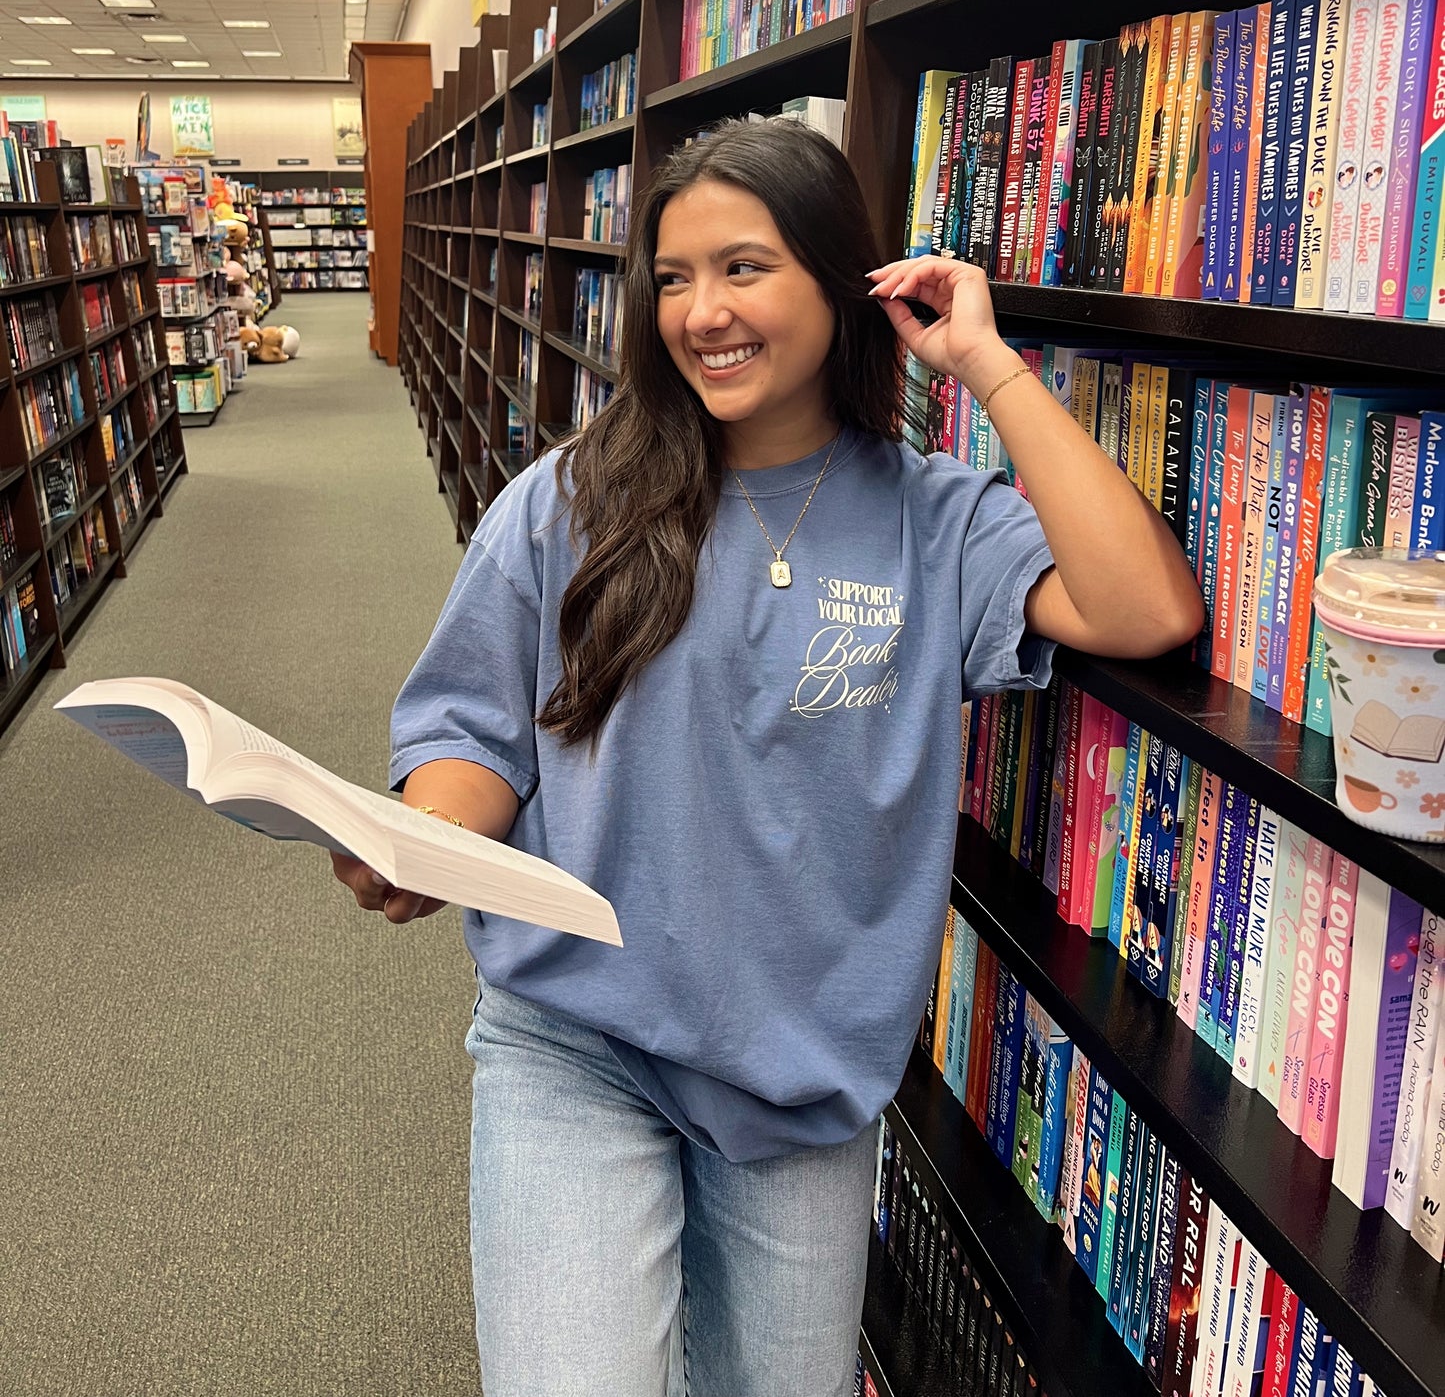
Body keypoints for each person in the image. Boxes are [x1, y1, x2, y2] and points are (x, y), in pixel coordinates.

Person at [332, 119, 1203, 1397]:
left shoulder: (932, 518)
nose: (701, 312)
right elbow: (471, 730)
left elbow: (1143, 611)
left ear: (837, 280)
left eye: (743, 268)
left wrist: (984, 363)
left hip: (799, 1070)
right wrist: (432, 835)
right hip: (573, 1033)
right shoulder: (566, 499)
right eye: (673, 278)